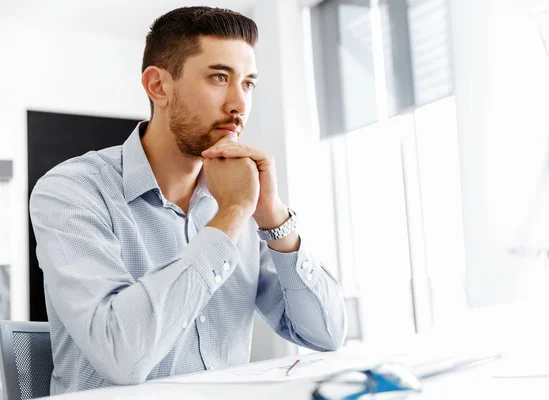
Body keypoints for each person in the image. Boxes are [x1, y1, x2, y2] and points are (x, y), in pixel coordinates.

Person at [29, 6, 346, 395]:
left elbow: (326, 335)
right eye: (219, 77)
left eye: (248, 83)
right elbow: (120, 356)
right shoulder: (72, 190)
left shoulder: (244, 200)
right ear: (159, 86)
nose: (239, 104)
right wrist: (229, 218)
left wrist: (272, 217)